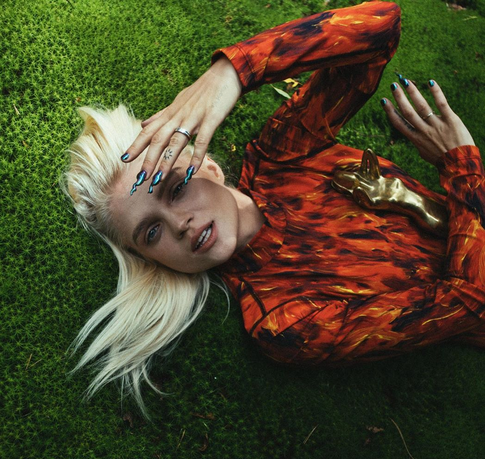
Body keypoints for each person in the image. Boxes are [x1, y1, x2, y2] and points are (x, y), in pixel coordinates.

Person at [65, 1, 485, 415]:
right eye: (151, 232)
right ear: (146, 257)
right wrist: (462, 164)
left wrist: (231, 73)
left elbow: (381, 24)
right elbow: (470, 298)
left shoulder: (283, 153)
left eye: (175, 190)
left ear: (208, 166)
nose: (179, 224)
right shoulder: (284, 322)